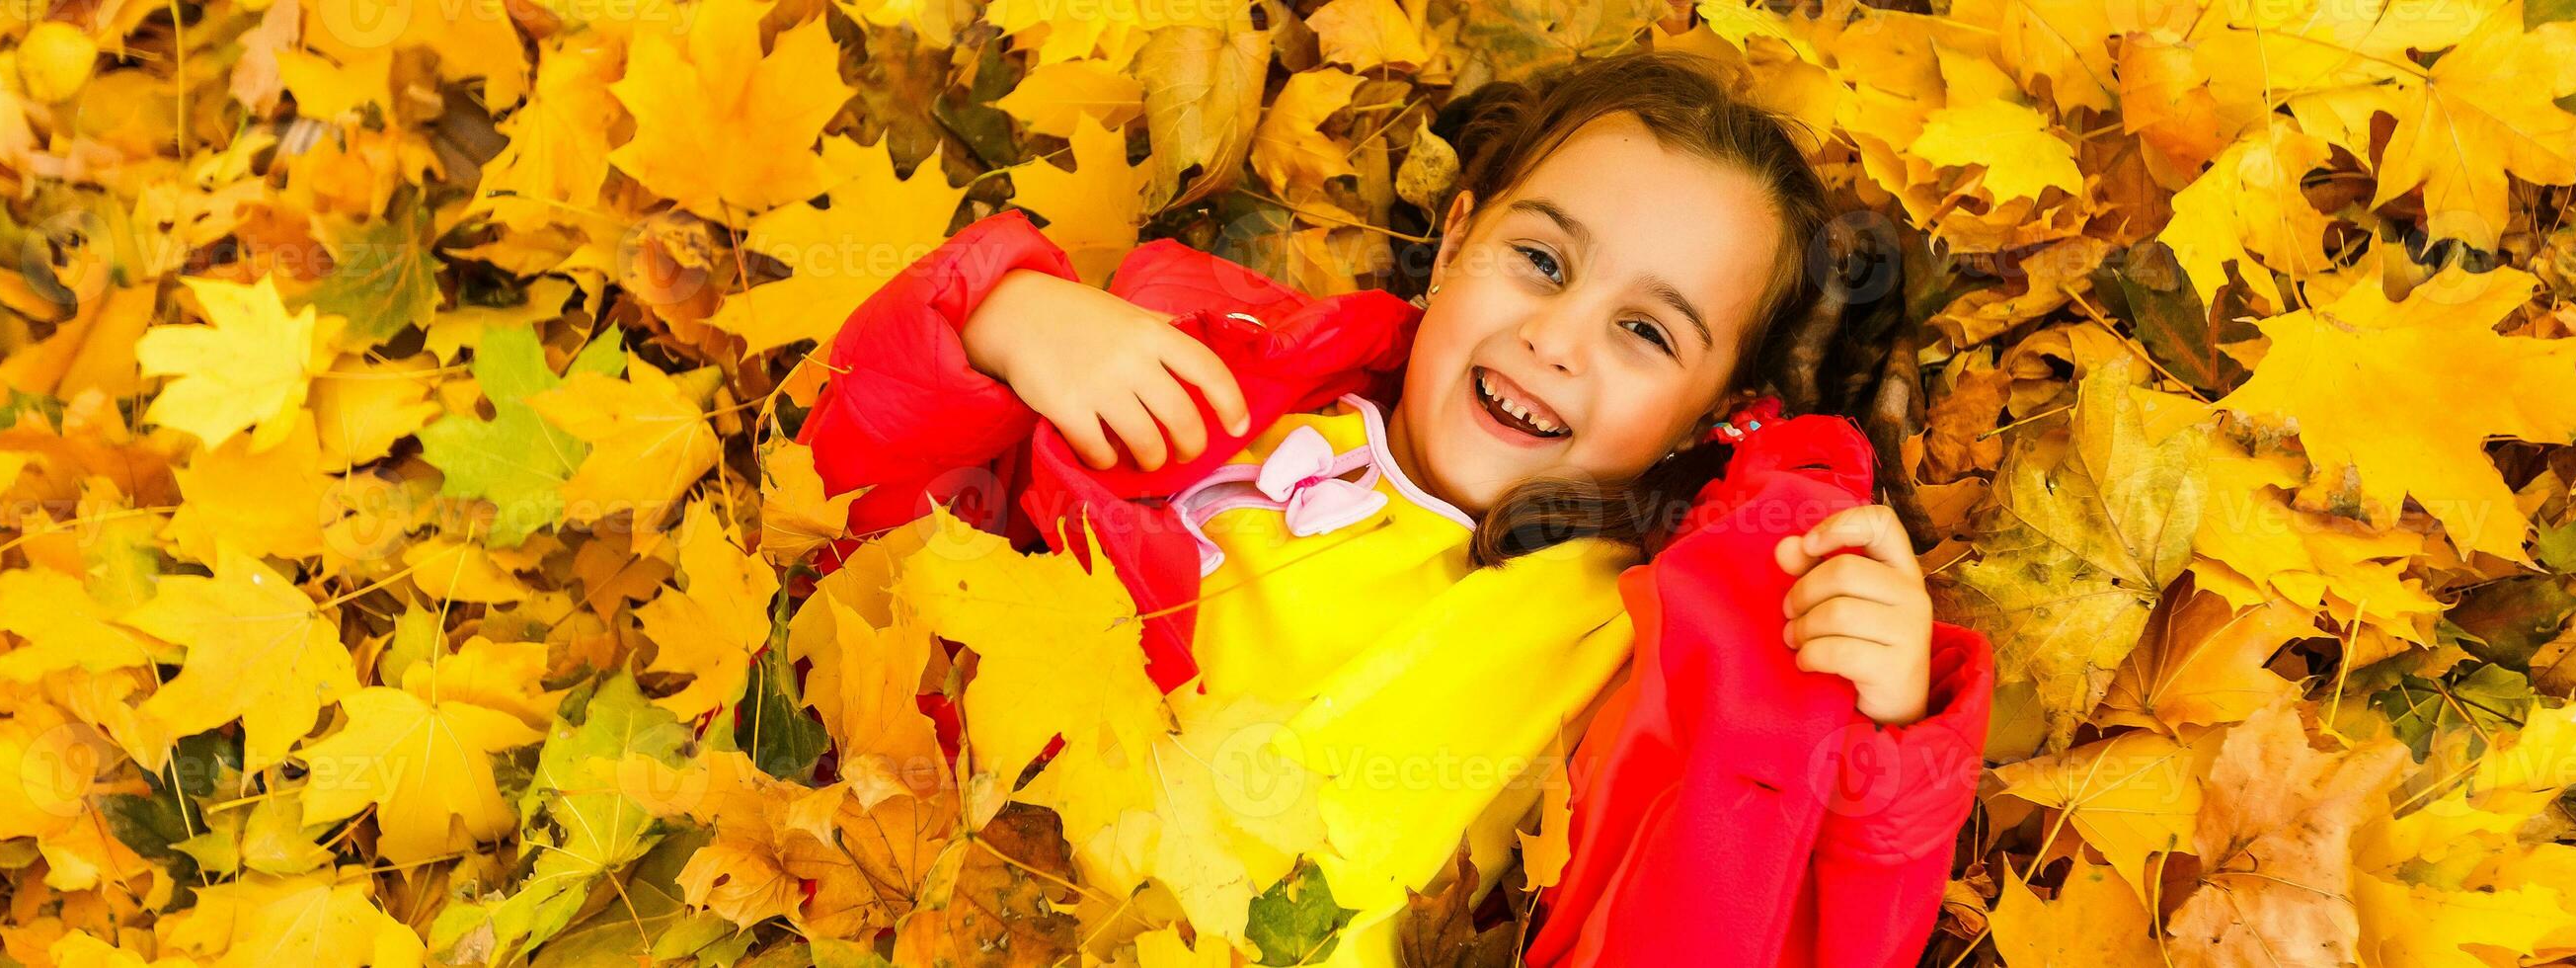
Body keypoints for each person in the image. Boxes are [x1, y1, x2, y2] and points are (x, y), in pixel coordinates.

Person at [800, 50, 1991, 967]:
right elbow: (870, 520)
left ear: (1705, 412)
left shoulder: (1641, 642)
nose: (1556, 339)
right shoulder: (1225, 404)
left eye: (1644, 331)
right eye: (1540, 261)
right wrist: (999, 320)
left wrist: (1875, 738)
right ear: (1456, 238)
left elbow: (1772, 915)